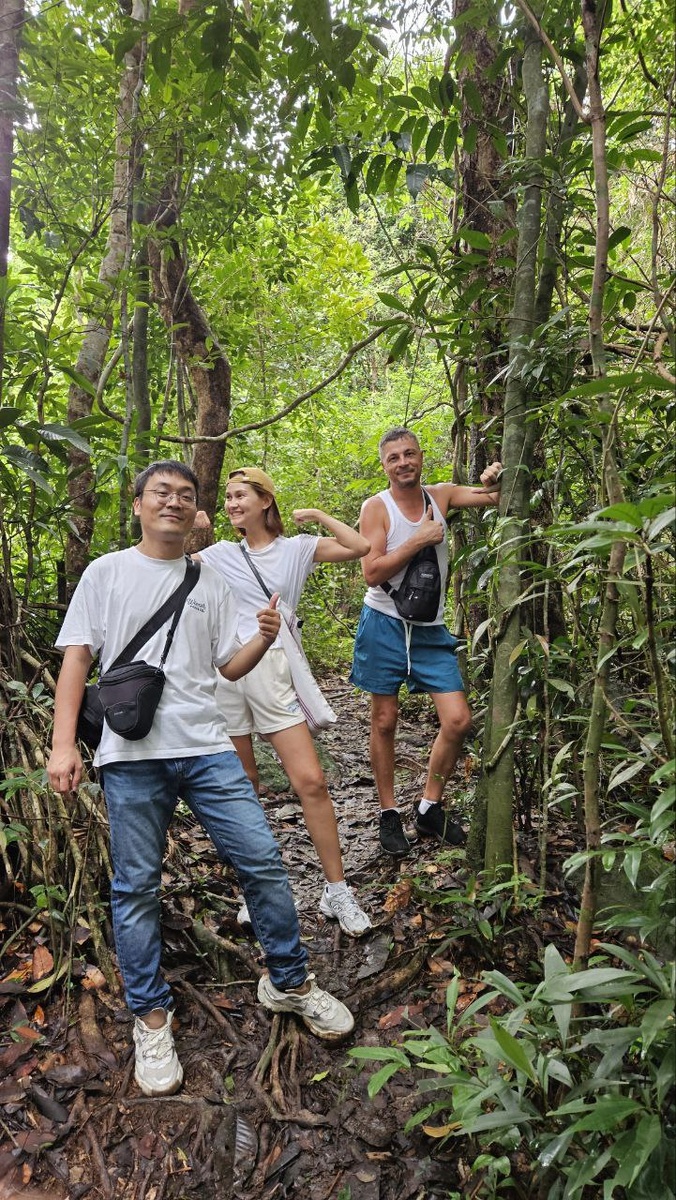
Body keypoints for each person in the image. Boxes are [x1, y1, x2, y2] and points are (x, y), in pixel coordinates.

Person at [46, 460, 354, 1099]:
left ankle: (289, 981)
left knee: (262, 861)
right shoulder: (106, 573)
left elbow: (228, 667)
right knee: (136, 887)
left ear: (195, 510)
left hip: (208, 748)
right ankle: (151, 1017)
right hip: (131, 756)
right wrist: (62, 745)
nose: (174, 502)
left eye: (186, 495)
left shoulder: (208, 578)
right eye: (162, 492)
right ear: (138, 504)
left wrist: (264, 637)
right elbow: (77, 661)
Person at [196, 466, 372, 938]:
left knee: (310, 780)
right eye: (228, 497)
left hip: (272, 667)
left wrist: (317, 515)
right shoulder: (218, 553)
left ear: (265, 500)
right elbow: (170, 566)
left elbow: (360, 547)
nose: (232, 504)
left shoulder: (295, 550)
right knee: (244, 784)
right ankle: (255, 890)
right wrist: (191, 524)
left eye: (241, 495)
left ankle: (337, 890)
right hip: (225, 669)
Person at [350, 428, 502, 856]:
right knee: (384, 720)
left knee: (457, 720)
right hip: (383, 622)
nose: (403, 462)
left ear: (420, 456)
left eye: (409, 454)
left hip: (430, 629)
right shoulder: (376, 508)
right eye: (394, 457)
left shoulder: (442, 496)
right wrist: (417, 540)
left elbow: (494, 497)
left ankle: (429, 807)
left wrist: (494, 477)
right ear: (385, 465)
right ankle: (388, 813)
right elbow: (371, 572)